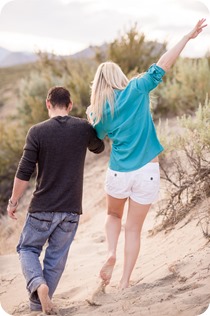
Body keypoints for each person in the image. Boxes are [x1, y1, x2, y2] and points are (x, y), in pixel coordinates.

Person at [87, 19, 207, 290]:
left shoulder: (99, 112)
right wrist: (187, 37)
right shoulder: (136, 89)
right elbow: (163, 64)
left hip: (119, 172)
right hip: (147, 173)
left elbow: (95, 141)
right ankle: (125, 282)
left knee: (113, 216)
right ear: (119, 77)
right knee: (133, 229)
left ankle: (110, 253)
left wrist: (92, 117)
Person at [7, 86, 104, 314]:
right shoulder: (82, 128)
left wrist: (13, 201)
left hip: (42, 207)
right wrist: (94, 123)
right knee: (55, 259)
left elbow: (24, 171)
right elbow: (98, 148)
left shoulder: (37, 131)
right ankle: (39, 303)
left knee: (28, 249)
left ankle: (38, 286)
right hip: (71, 210)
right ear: (70, 105)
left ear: (48, 104)